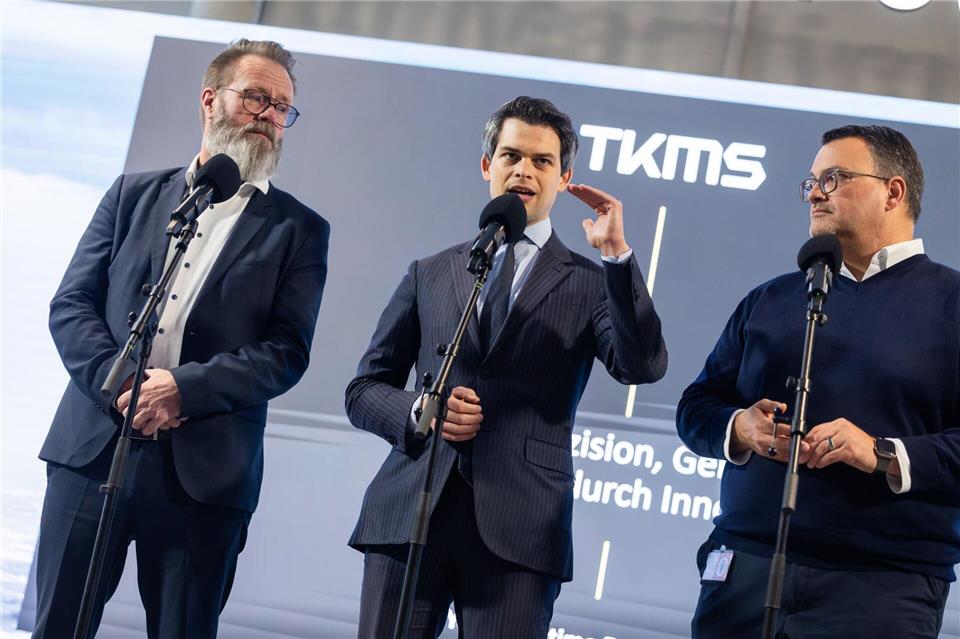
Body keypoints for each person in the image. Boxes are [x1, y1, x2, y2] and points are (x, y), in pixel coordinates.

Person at [33, 39, 329, 638]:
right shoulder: (132, 194)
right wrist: (124, 386)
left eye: (282, 107)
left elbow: (285, 351)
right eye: (256, 98)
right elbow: (72, 305)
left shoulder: (299, 229)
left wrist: (180, 390)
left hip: (204, 474)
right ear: (210, 100)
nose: (269, 116)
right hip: (92, 451)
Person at [345, 96, 667, 637]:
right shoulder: (431, 272)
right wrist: (422, 411)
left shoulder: (591, 282)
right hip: (410, 512)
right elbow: (363, 390)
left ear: (564, 178)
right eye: (511, 156)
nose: (523, 170)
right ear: (486, 165)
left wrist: (616, 257)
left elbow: (641, 365)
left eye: (542, 161)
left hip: (522, 527)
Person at [677, 124, 958, 638]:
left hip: (881, 588)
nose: (814, 193)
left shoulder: (952, 305)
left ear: (893, 192)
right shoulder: (770, 299)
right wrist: (740, 427)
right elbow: (696, 407)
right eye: (811, 182)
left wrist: (883, 453)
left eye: (835, 178)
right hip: (743, 570)